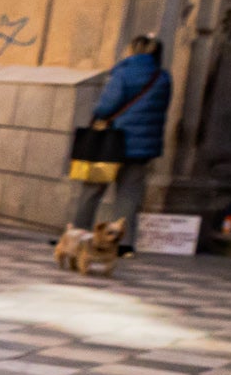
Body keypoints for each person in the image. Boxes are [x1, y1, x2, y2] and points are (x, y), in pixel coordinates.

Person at [71, 33, 172, 251]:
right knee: (129, 195)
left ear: (133, 49)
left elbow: (106, 107)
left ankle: (78, 235)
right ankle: (123, 244)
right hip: (143, 147)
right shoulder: (162, 77)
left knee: (93, 190)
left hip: (111, 142)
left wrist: (96, 111)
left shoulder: (124, 72)